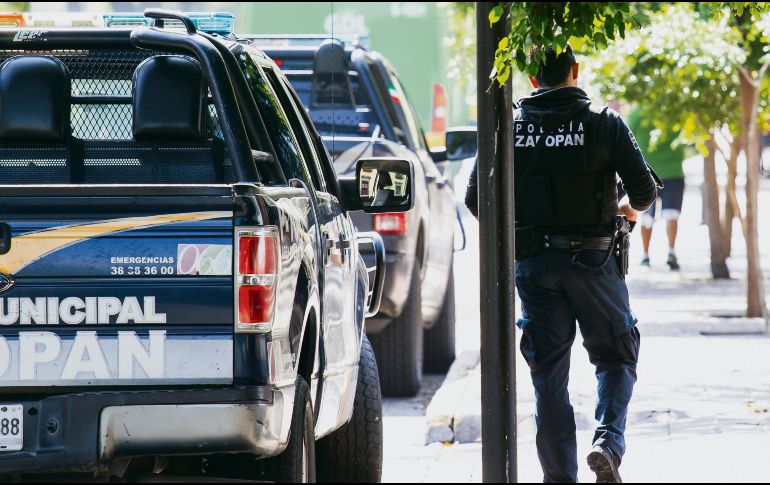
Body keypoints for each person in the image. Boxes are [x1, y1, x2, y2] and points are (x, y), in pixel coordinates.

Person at [465, 45, 657, 483]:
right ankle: (607, 443)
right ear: (575, 70)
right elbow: (643, 191)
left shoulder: (507, 126)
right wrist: (626, 209)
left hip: (534, 264)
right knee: (615, 357)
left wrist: (518, 231)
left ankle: (559, 478)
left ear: (532, 79)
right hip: (594, 261)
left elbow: (476, 199)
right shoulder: (604, 122)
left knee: (548, 375)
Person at [627, 109, 686, 270]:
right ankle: (670, 253)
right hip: (671, 172)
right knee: (671, 215)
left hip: (648, 173)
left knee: (647, 216)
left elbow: (626, 139)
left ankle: (647, 256)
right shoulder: (677, 111)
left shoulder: (638, 112)